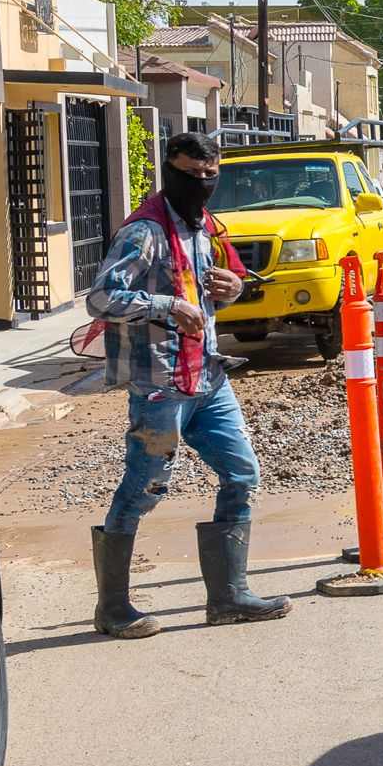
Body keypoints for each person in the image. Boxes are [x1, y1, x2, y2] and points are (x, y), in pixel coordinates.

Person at [86, 132, 291, 639]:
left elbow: (218, 289)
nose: (202, 184)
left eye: (209, 175)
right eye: (190, 175)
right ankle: (112, 608)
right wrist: (167, 307)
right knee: (144, 489)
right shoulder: (144, 232)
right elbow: (102, 297)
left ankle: (228, 597)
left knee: (242, 473)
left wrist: (234, 287)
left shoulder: (206, 228)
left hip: (209, 378)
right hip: (159, 385)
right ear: (169, 172)